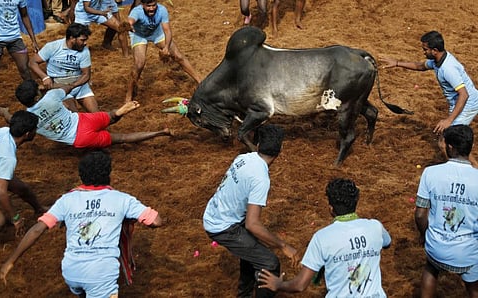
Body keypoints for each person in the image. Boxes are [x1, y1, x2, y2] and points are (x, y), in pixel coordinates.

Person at [0, 150, 163, 297]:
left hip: (71, 272)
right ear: (108, 174)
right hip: (102, 274)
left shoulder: (67, 200)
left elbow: (36, 230)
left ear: (81, 175)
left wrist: (10, 261)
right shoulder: (122, 199)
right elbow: (156, 221)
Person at [203, 124, 299, 298]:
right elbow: (252, 224)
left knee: (252, 253)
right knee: (269, 263)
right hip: (223, 227)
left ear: (259, 145)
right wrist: (283, 245)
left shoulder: (245, 157)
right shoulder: (261, 178)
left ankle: (245, 294)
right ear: (280, 150)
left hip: (215, 212)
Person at [257, 178, 391, 296]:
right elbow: (387, 242)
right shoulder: (375, 227)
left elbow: (300, 285)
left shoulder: (322, 238)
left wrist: (278, 285)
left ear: (331, 209)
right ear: (356, 202)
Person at [0, 79, 171, 148]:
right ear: (38, 94)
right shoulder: (51, 96)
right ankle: (117, 113)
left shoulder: (26, 118)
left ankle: (160, 133)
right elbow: (67, 87)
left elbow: (12, 120)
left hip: (79, 139)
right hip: (83, 120)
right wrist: (51, 87)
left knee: (122, 138)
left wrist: (5, 112)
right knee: (109, 117)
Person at [414, 124, 478, 298]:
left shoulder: (430, 173)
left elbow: (420, 214)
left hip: (437, 247)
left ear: (450, 146)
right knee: (474, 287)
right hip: (469, 252)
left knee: (430, 269)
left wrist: (424, 236)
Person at [381, 31, 478, 135]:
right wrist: (396, 63)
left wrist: (449, 120)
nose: (423, 52)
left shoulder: (448, 69)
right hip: (458, 102)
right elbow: (421, 66)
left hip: (467, 105)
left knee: (447, 141)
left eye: (425, 49)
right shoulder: (439, 60)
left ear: (435, 51)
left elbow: (464, 94)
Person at [125, 0, 201, 102]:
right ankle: (128, 95)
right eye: (148, 6)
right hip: (139, 35)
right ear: (143, 5)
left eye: (153, 5)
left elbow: (167, 30)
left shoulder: (162, 10)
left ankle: (200, 81)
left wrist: (166, 47)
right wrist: (128, 25)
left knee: (178, 56)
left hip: (157, 33)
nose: (151, 8)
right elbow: (130, 21)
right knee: (139, 64)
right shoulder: (136, 11)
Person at [29, 23, 99, 113]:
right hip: (58, 86)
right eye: (82, 40)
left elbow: (86, 75)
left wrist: (71, 86)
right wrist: (45, 77)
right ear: (72, 38)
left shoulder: (84, 51)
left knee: (97, 115)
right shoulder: (53, 47)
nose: (85, 43)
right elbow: (32, 62)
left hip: (79, 85)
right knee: (74, 116)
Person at [0, 110, 46, 237]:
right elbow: (1, 192)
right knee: (0, 222)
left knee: (22, 188)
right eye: (35, 129)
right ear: (27, 134)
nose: (36, 131)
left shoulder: (4, 131)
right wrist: (16, 218)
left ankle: (39, 209)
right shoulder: (8, 158)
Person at [0, 0, 39, 80]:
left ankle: (33, 91)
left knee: (25, 70)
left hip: (15, 37)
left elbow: (25, 16)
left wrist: (33, 40)